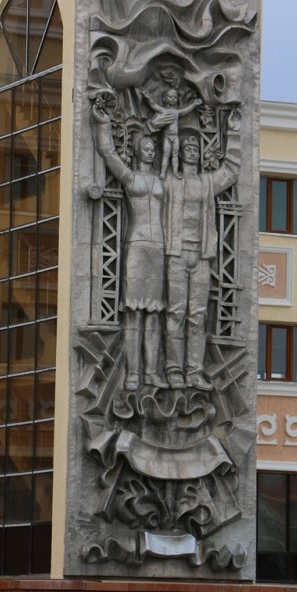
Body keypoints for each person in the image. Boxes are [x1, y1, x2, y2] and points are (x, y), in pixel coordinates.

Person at [92, 100, 167, 391]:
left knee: (154, 312)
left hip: (158, 247)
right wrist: (103, 124)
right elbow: (108, 154)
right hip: (136, 244)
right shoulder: (130, 177)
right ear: (137, 151)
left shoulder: (163, 179)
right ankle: (133, 373)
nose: (150, 151)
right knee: (134, 311)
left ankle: (152, 372)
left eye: (153, 148)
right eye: (146, 148)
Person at [163, 117, 240, 390]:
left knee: (197, 316)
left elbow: (231, 170)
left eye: (196, 148)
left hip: (201, 256)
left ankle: (194, 372)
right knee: (175, 314)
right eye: (188, 147)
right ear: (179, 152)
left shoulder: (207, 183)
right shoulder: (169, 182)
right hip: (175, 255)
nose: (193, 151)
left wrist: (234, 131)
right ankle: (173, 369)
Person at [141, 88, 202, 179]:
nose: (173, 99)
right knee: (166, 155)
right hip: (167, 136)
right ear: (164, 99)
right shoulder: (163, 110)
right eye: (171, 97)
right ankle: (162, 173)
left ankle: (175, 172)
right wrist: (148, 98)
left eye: (175, 97)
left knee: (175, 155)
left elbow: (186, 110)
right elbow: (154, 105)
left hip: (175, 136)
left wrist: (194, 104)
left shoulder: (177, 111)